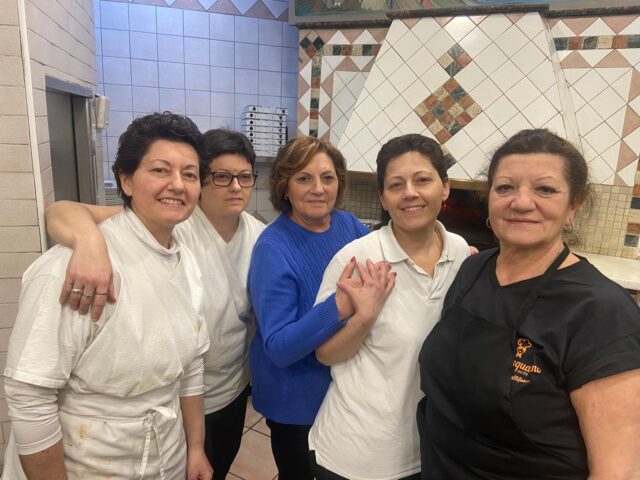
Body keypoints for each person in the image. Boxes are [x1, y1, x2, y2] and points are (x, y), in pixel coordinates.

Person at [418, 128, 640, 479]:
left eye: (545, 189)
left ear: (573, 206)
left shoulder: (600, 312)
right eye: (505, 187)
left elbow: (619, 472)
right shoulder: (474, 269)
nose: (521, 202)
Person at [43, 129, 265, 479]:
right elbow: (62, 210)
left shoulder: (259, 236)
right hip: (175, 394)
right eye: (221, 176)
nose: (235, 187)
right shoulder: (174, 223)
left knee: (216, 466)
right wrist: (88, 240)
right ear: (203, 181)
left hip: (232, 385)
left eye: (245, 177)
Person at [2, 112, 212, 479]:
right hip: (86, 462)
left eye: (190, 174)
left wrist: (195, 448)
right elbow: (30, 397)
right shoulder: (74, 268)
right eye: (160, 170)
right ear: (126, 180)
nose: (177, 184)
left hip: (167, 453)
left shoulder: (186, 260)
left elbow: (191, 364)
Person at [307, 134, 470, 480]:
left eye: (422, 180)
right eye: (396, 185)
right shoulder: (357, 259)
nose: (410, 193)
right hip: (357, 455)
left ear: (445, 187)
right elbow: (325, 354)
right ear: (382, 197)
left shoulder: (459, 252)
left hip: (429, 447)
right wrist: (364, 317)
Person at [247, 135, 394, 480]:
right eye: (304, 178)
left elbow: (385, 261)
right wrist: (338, 306)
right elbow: (279, 347)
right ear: (285, 186)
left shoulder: (348, 225)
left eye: (327, 178)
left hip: (339, 387)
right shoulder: (272, 248)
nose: (318, 189)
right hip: (295, 398)